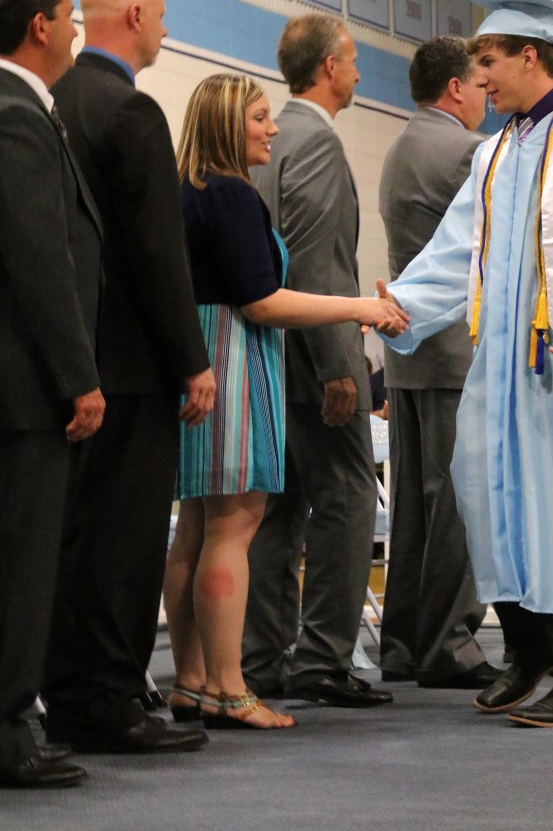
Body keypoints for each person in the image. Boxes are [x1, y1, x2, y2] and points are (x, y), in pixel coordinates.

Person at [380, 0, 553, 727]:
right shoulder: (495, 153)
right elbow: (457, 250)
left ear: (530, 57)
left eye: (489, 61)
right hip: (500, 369)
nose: (480, 77)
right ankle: (529, 654)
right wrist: (400, 303)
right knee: (490, 495)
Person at [163, 74, 406, 729]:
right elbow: (263, 302)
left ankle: (191, 680)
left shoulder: (189, 190)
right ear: (227, 124)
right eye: (260, 118)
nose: (272, 129)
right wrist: (359, 308)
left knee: (196, 529)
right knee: (232, 530)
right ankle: (229, 687)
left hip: (199, 358)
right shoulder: (232, 195)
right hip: (233, 363)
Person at [44, 0, 215, 756]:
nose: (167, 29)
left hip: (69, 360)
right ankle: (112, 696)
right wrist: (192, 359)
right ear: (138, 16)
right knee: (127, 538)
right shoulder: (131, 111)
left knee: (73, 537)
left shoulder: (54, 100)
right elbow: (157, 252)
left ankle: (69, 691)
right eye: (164, 15)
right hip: (134, 366)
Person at [241, 13, 394, 708]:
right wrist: (339, 364)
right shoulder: (317, 142)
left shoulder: (272, 139)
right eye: (353, 59)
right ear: (329, 67)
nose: (358, 72)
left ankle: (261, 655)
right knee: (347, 500)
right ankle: (325, 658)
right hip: (314, 359)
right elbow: (315, 260)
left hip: (274, 358)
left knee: (277, 511)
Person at [0, 0, 104, 788]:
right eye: (70, 16)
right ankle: (7, 730)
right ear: (40, 25)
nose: (75, 31)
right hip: (24, 389)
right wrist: (78, 376)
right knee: (21, 568)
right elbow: (41, 260)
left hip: (20, 385)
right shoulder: (16, 115)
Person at [378, 36, 499, 689]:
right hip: (454, 349)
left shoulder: (399, 146)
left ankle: (402, 640)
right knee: (456, 501)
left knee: (414, 509)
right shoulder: (469, 152)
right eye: (481, 85)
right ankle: (450, 641)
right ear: (455, 88)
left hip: (408, 353)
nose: (488, 97)